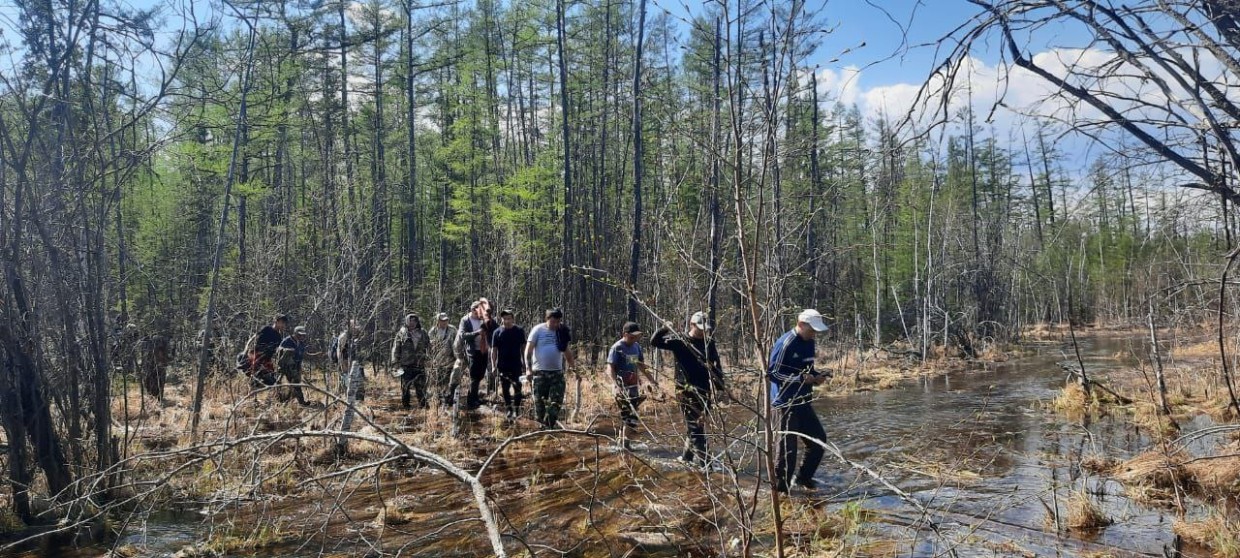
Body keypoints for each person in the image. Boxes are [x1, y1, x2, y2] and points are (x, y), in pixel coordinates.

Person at [768, 309, 832, 492]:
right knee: (787, 452)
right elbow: (772, 373)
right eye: (812, 329)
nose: (814, 334)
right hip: (784, 404)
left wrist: (817, 376)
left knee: (818, 441)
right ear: (801, 324)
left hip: (803, 401)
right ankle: (781, 492)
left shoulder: (810, 342)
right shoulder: (785, 343)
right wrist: (800, 379)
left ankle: (803, 479)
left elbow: (807, 369)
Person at [651, 311, 726, 466]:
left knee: (697, 425)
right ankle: (706, 466)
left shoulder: (708, 342)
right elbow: (655, 342)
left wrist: (720, 388)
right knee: (696, 427)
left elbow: (716, 365)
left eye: (705, 328)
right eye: (699, 328)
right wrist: (664, 328)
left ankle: (686, 458)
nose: (702, 331)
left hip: (704, 390)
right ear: (692, 325)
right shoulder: (680, 341)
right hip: (685, 391)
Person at [607, 322, 658, 450]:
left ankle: (622, 444)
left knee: (629, 417)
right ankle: (625, 446)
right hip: (621, 388)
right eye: (632, 336)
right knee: (630, 416)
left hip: (633, 387)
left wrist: (652, 380)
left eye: (637, 336)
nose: (635, 338)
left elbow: (640, 365)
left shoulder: (636, 347)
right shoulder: (617, 348)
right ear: (625, 334)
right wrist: (616, 385)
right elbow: (610, 369)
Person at [525, 308, 575, 429]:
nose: (555, 324)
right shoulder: (538, 330)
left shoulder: (561, 331)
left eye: (558, 322)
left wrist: (574, 369)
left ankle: (550, 427)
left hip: (556, 374)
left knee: (556, 403)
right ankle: (541, 430)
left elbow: (567, 352)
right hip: (540, 374)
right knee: (539, 405)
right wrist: (528, 368)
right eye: (553, 322)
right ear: (547, 319)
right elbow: (528, 351)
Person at [457, 300, 499, 410]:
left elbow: (496, 328)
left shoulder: (484, 318)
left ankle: (476, 398)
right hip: (473, 351)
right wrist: (476, 333)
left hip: (484, 350)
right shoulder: (465, 320)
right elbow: (462, 335)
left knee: (480, 375)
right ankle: (471, 401)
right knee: (474, 376)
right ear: (472, 309)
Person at [490, 309, 527, 419]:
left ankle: (516, 409)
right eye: (504, 318)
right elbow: (494, 350)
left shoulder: (519, 331)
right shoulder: (497, 332)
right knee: (505, 389)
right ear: (502, 319)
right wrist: (493, 365)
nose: (506, 321)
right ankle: (509, 409)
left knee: (518, 388)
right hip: (503, 366)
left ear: (513, 319)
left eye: (509, 318)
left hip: (516, 365)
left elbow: (523, 348)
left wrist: (526, 363)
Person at [391, 313, 430, 409]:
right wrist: (395, 362)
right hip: (406, 364)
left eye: (414, 321)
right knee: (405, 387)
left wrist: (429, 359)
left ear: (417, 322)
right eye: (410, 321)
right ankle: (406, 406)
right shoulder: (402, 333)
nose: (412, 323)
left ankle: (423, 405)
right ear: (407, 321)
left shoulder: (423, 333)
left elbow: (429, 347)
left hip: (419, 364)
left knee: (421, 387)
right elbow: (396, 348)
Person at [428, 312, 460, 407]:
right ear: (438, 321)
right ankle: (437, 400)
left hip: (450, 360)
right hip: (437, 361)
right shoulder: (432, 331)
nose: (444, 322)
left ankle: (449, 400)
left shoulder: (453, 329)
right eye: (442, 320)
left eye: (446, 320)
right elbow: (429, 346)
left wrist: (458, 356)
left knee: (449, 380)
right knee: (437, 381)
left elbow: (458, 342)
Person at [275, 326, 312, 406]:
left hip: (296, 367)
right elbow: (280, 356)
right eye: (300, 335)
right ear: (295, 334)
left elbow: (300, 355)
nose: (302, 337)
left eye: (303, 335)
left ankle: (299, 402)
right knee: (286, 386)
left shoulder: (301, 343)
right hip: (285, 368)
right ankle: (282, 403)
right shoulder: (287, 341)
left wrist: (299, 368)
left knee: (296, 385)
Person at [248, 314, 288, 387]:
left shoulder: (279, 337)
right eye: (282, 323)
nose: (283, 325)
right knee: (257, 377)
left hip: (267, 359)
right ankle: (251, 392)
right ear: (276, 322)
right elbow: (256, 343)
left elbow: (277, 351)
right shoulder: (266, 329)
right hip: (258, 357)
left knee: (271, 381)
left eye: (284, 323)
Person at [335, 319, 367, 403]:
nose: (357, 327)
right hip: (345, 364)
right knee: (348, 385)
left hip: (354, 364)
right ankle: (341, 403)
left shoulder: (355, 336)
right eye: (354, 325)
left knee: (359, 385)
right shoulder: (344, 336)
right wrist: (343, 366)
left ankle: (359, 404)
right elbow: (339, 352)